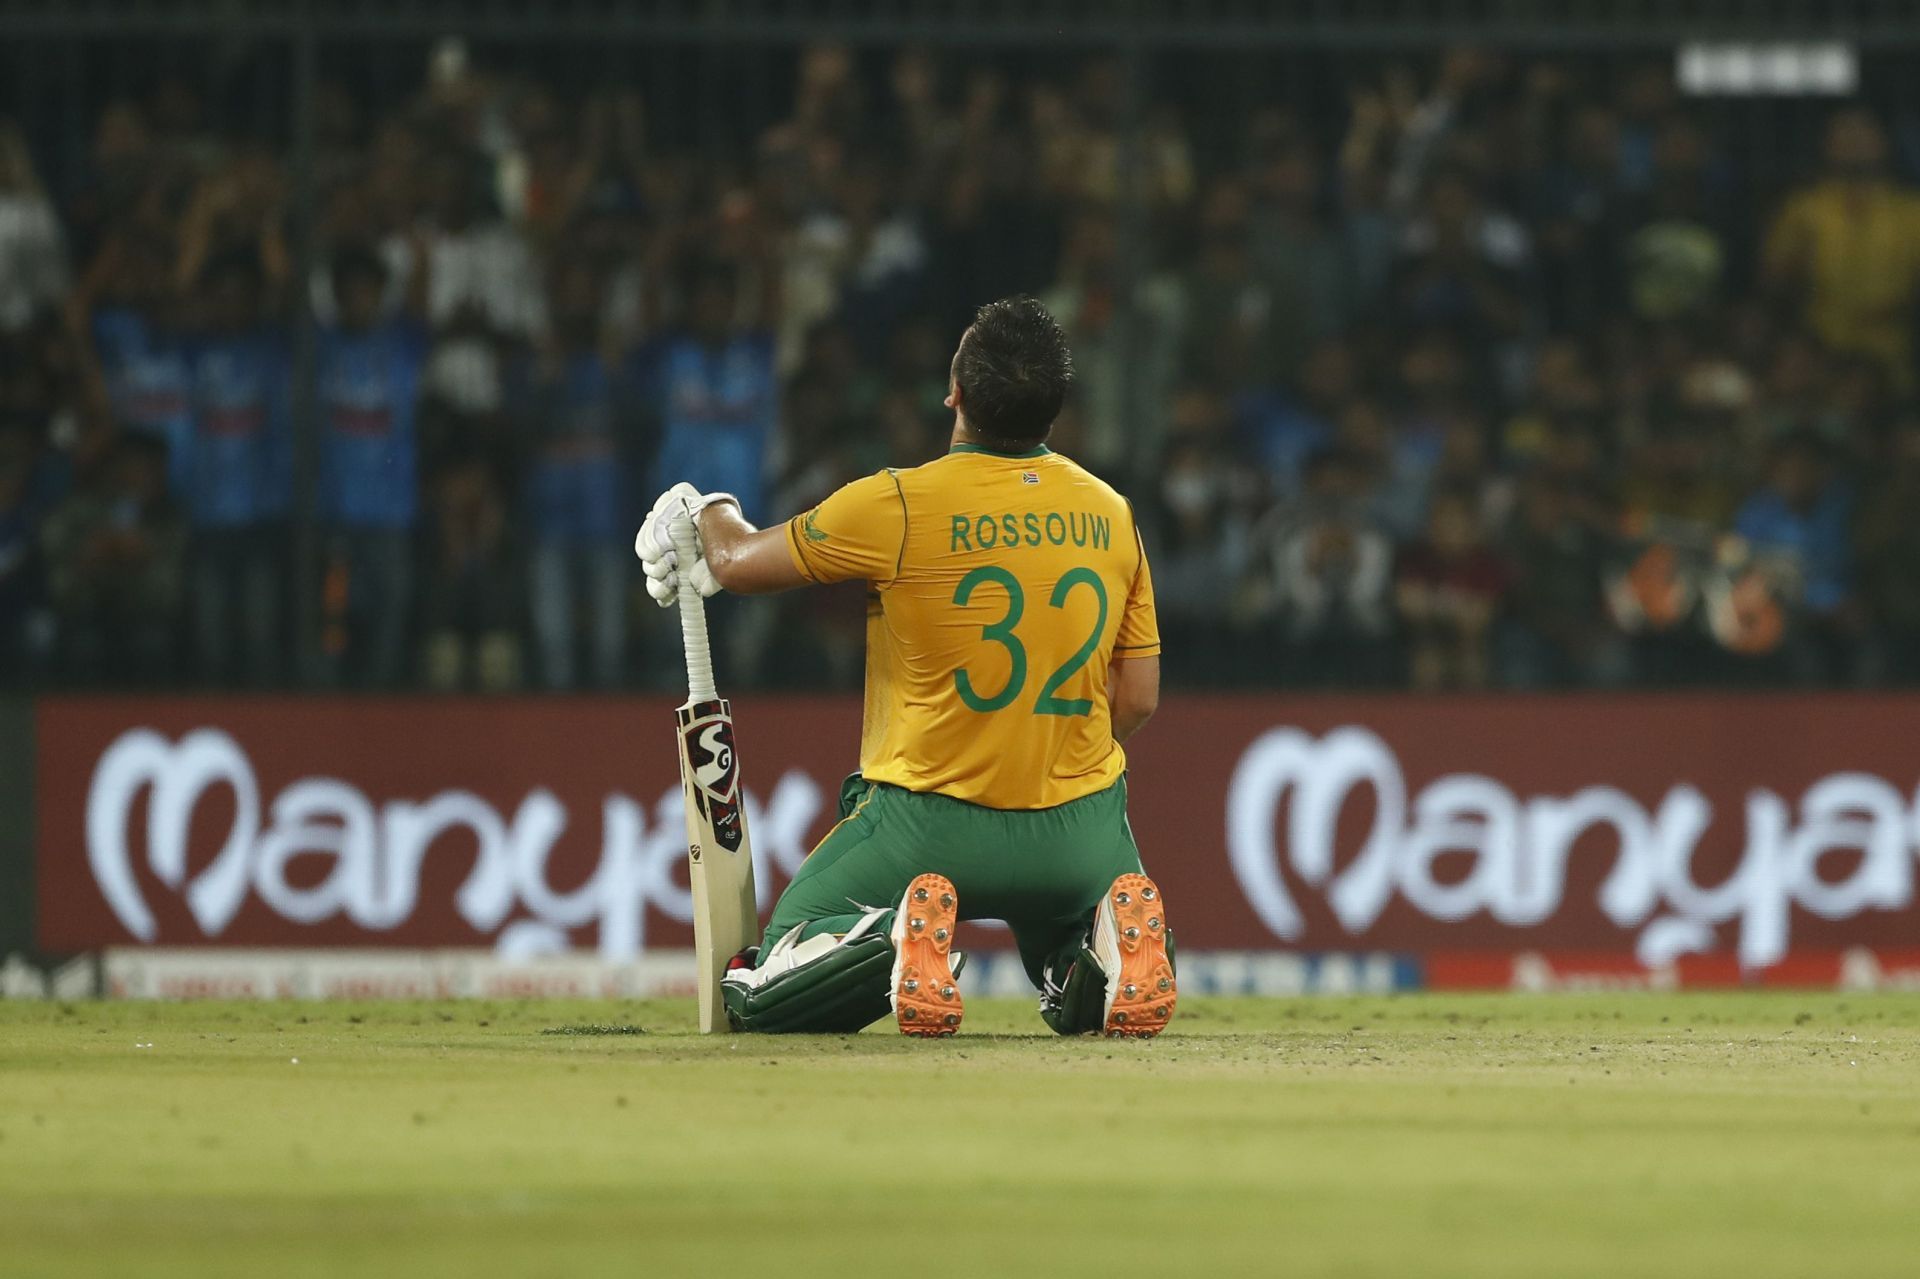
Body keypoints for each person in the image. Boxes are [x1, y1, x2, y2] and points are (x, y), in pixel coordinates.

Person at [635, 296, 1174, 1039]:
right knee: (1079, 956)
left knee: (761, 975)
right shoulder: (1112, 513)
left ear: (954, 390)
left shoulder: (899, 503)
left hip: (924, 826)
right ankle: (1104, 951)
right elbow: (1138, 698)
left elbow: (734, 562)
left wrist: (704, 506)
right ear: (1055, 406)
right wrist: (1040, 757)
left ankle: (892, 941)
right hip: (1079, 833)